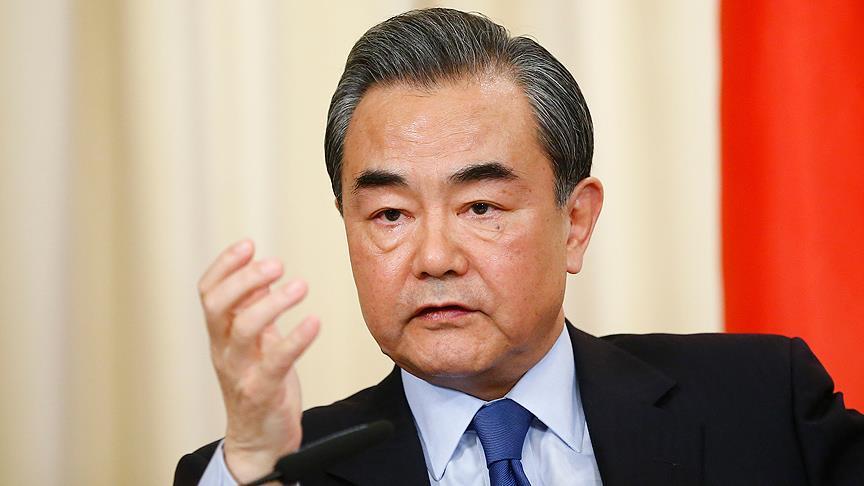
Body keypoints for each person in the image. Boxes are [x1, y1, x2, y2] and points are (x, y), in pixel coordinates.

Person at [174, 8, 864, 486]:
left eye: (481, 207)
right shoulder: (271, 469)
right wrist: (257, 466)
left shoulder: (762, 403)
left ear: (576, 223)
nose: (434, 258)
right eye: (389, 214)